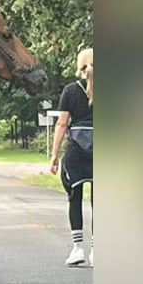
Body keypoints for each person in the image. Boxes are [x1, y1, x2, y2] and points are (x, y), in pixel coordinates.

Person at [50, 48, 93, 267]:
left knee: (74, 198)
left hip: (76, 151)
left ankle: (77, 249)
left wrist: (54, 154)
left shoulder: (69, 90)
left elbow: (62, 124)